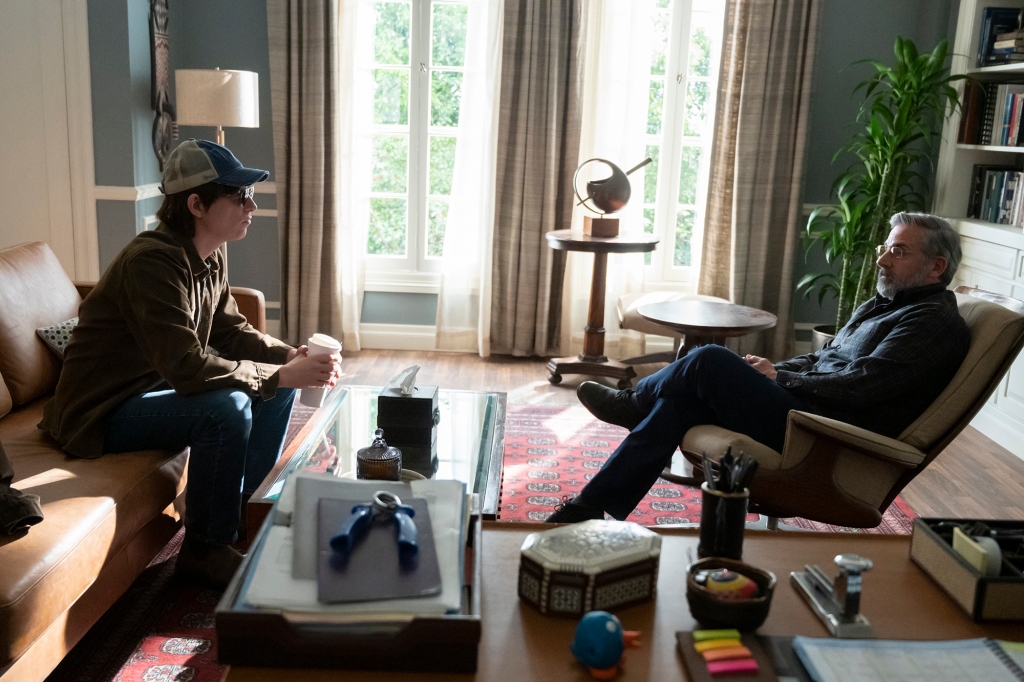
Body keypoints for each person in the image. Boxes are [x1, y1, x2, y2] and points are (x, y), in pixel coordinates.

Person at [40, 139, 341, 586]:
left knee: (276, 387)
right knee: (227, 408)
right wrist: (277, 373)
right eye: (238, 196)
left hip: (150, 389)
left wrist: (289, 358)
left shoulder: (210, 251)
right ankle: (204, 549)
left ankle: (241, 513)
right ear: (196, 204)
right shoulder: (152, 262)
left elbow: (230, 331)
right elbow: (185, 365)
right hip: (101, 412)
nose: (251, 204)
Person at [548, 212, 971, 523]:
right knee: (679, 405)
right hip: (805, 405)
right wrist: (774, 368)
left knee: (709, 359)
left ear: (937, 266)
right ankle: (589, 507)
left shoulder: (931, 321)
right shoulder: (887, 305)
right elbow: (827, 359)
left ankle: (633, 402)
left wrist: (781, 378)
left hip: (825, 431)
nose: (882, 261)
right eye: (885, 249)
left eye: (898, 252)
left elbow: (865, 386)